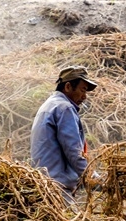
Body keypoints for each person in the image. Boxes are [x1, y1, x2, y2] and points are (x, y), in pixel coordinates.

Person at [29, 65, 98, 201]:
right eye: (82, 90)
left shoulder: (49, 105)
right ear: (67, 87)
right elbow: (74, 152)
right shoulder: (64, 108)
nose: (84, 97)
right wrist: (96, 180)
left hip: (41, 185)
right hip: (57, 189)